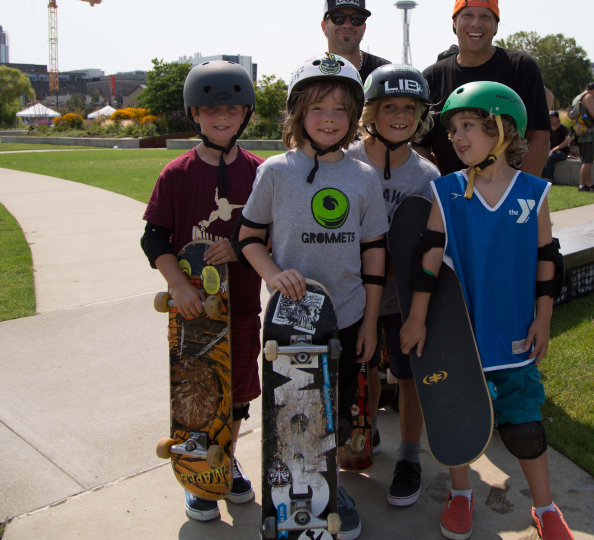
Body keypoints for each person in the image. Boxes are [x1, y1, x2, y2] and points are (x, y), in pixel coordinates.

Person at [400, 81, 573, 540]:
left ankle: (546, 507)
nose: (457, 137)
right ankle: (461, 494)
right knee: (457, 421)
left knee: (524, 428)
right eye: (453, 128)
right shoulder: (447, 191)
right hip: (459, 339)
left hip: (513, 332)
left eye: (469, 126)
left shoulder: (533, 192)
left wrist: (544, 317)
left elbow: (547, 262)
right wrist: (417, 317)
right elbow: (429, 257)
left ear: (502, 129)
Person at [236, 53, 388, 540]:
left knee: (335, 415)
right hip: (290, 322)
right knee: (290, 412)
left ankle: (330, 486)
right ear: (298, 112)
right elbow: (249, 238)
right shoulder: (275, 172)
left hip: (345, 317)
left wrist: (368, 324)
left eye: (341, 110)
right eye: (319, 108)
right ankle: (287, 493)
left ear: (353, 118)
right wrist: (274, 275)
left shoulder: (363, 177)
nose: (329, 119)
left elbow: (374, 254)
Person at [140, 60, 263, 523]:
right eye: (211, 111)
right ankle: (197, 476)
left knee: (236, 396)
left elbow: (274, 234)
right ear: (194, 114)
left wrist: (241, 247)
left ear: (245, 113)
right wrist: (176, 286)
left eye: (231, 109)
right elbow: (154, 238)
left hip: (243, 308)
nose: (222, 118)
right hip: (193, 315)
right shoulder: (176, 173)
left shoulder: (260, 172)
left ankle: (225, 462)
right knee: (195, 397)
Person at [344, 64, 439, 507]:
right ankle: (364, 430)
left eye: (409, 108)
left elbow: (432, 248)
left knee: (408, 375)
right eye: (388, 107)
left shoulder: (427, 175)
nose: (399, 116)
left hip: (402, 298)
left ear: (420, 115)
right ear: (370, 113)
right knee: (361, 367)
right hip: (355, 295)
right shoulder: (344, 161)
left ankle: (409, 456)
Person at [415, 0, 551, 177]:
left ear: (496, 26)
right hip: (453, 200)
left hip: (507, 199)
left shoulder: (521, 67)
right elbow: (420, 145)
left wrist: (519, 192)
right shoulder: (432, 77)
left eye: (486, 17)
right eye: (468, 15)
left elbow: (540, 138)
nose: (476, 23)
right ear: (454, 23)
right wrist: (442, 188)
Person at [321, 0, 391, 80]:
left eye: (356, 19)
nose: (347, 25)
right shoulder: (310, 75)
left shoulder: (384, 73)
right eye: (338, 18)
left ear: (364, 28)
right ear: (324, 26)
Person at [571, 82, 594, 191]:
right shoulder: (588, 96)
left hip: (579, 132)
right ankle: (582, 185)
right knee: (587, 161)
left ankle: (589, 183)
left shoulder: (578, 97)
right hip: (587, 133)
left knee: (586, 160)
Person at [542, 110, 572, 181]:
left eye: (553, 117)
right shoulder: (549, 129)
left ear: (557, 118)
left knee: (550, 157)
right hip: (552, 151)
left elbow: (568, 140)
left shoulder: (563, 128)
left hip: (562, 152)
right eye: (549, 117)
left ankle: (549, 178)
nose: (551, 119)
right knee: (542, 156)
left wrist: (558, 147)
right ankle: (542, 177)